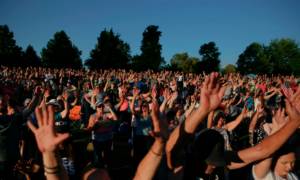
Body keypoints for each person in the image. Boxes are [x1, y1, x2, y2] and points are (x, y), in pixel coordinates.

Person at [165, 72, 300, 180]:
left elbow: (262, 150)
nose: (213, 165)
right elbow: (172, 146)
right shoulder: (181, 164)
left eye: (217, 160)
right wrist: (202, 110)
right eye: (209, 159)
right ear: (194, 150)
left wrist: (294, 122)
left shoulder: (222, 162)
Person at [0, 86, 41, 180]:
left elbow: (29, 109)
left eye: (3, 99)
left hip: (12, 162)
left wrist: (37, 96)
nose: (1, 101)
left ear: (7, 104)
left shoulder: (14, 118)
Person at [88, 100, 118, 168]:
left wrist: (110, 108)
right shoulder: (93, 116)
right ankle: (97, 173)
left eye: (102, 106)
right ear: (96, 108)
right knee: (97, 157)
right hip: (97, 140)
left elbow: (115, 118)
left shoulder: (107, 114)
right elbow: (90, 129)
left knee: (107, 156)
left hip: (107, 139)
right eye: (99, 106)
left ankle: (107, 173)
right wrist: (96, 121)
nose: (101, 108)